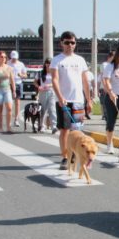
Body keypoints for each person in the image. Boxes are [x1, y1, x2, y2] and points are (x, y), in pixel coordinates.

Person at [51, 31, 91, 170]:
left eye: (72, 42)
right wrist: (60, 97)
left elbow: (85, 81)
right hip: (64, 101)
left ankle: (76, 154)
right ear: (61, 43)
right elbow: (54, 80)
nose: (70, 45)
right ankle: (64, 157)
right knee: (65, 130)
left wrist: (89, 100)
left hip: (78, 100)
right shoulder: (57, 60)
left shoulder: (80, 60)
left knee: (78, 130)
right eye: (67, 42)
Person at [34, 58, 58, 134]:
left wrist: (49, 85)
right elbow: (34, 82)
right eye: (47, 63)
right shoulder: (40, 73)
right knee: (42, 110)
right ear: (45, 64)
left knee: (52, 109)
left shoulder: (54, 73)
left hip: (51, 91)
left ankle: (54, 126)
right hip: (42, 92)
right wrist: (38, 86)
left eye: (50, 63)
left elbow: (56, 82)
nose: (48, 65)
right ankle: (42, 126)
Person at [8, 50, 27, 127]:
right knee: (9, 102)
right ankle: (9, 119)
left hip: (18, 83)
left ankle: (16, 119)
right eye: (12, 58)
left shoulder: (21, 64)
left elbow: (25, 75)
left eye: (15, 58)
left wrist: (21, 75)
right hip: (8, 84)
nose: (14, 59)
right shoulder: (7, 63)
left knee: (17, 102)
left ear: (17, 57)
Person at [99, 51, 115, 121]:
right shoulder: (104, 64)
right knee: (104, 102)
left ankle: (109, 115)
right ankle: (105, 115)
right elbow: (102, 76)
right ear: (110, 57)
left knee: (111, 102)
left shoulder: (114, 65)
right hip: (104, 87)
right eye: (114, 56)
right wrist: (105, 86)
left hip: (112, 87)